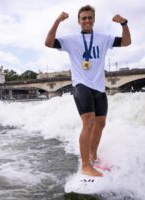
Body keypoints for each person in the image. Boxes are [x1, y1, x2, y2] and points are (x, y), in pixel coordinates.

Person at [45, 5, 131, 176]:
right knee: (89, 122)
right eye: (83, 18)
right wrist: (57, 21)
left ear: (93, 19)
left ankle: (93, 156)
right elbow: (48, 43)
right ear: (79, 21)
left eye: (90, 17)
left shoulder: (103, 38)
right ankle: (85, 165)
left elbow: (126, 42)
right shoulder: (71, 40)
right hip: (81, 85)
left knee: (101, 124)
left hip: (99, 86)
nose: (87, 21)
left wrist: (124, 23)